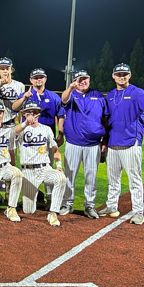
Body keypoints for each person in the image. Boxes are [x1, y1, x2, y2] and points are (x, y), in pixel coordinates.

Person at [99, 64, 144, 225]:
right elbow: (107, 120)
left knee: (134, 180)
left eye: (125, 74)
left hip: (131, 142)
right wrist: (105, 141)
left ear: (129, 75)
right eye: (118, 74)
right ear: (113, 76)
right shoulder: (110, 95)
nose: (121, 77)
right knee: (113, 179)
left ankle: (138, 212)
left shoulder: (137, 92)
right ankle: (111, 206)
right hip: (113, 143)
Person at [58, 70, 109, 218]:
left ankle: (89, 206)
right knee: (70, 174)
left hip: (93, 144)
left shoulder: (98, 95)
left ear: (89, 79)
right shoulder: (71, 94)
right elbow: (63, 99)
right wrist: (70, 88)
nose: (83, 81)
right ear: (74, 81)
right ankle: (67, 203)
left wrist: (105, 139)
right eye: (79, 79)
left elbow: (105, 119)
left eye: (85, 79)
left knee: (91, 175)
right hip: (73, 142)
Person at [12, 67, 64, 209]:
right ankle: (34, 196)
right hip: (28, 136)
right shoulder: (27, 94)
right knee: (29, 166)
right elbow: (14, 107)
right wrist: (24, 97)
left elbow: (61, 115)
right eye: (35, 78)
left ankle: (49, 199)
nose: (38, 80)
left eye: (41, 77)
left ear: (45, 79)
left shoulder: (53, 96)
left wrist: (60, 133)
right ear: (31, 80)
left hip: (47, 136)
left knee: (48, 167)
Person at [14, 100, 66, 226]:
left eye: (35, 112)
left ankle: (53, 213)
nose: (33, 115)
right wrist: (26, 123)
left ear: (39, 113)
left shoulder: (46, 129)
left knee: (60, 178)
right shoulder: (21, 130)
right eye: (29, 112)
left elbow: (56, 150)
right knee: (28, 211)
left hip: (44, 168)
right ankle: (39, 197)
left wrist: (58, 166)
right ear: (24, 114)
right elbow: (14, 132)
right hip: (28, 171)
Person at [0, 57, 25, 126]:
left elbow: (21, 109)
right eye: (2, 69)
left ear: (11, 70)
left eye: (7, 68)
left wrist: (19, 124)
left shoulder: (20, 85)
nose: (5, 71)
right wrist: (1, 83)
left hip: (13, 122)